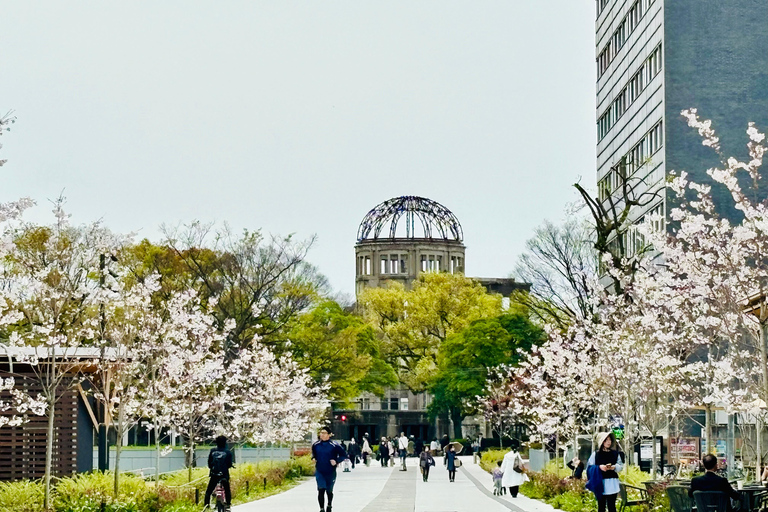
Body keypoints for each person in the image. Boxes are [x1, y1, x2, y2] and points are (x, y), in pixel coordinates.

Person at [311, 426, 347, 512]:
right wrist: (313, 458)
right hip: (320, 470)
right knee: (321, 489)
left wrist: (336, 461)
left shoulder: (334, 445)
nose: (322, 435)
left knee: (329, 491)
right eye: (321, 433)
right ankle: (321, 509)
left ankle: (329, 505)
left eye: (324, 433)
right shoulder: (316, 445)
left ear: (329, 435)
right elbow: (314, 455)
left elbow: (344, 455)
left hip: (330, 471)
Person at [586, 432, 624, 512]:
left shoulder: (615, 454)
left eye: (610, 440)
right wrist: (599, 467)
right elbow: (589, 467)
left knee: (612, 506)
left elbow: (620, 466)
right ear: (602, 442)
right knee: (601, 506)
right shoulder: (596, 454)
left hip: (612, 483)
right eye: (606, 440)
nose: (608, 442)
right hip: (600, 483)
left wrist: (614, 467)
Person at [204, 435, 234, 510]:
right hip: (224, 474)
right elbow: (229, 464)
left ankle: (206, 506)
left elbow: (209, 463)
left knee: (209, 491)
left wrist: (212, 468)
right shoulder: (227, 452)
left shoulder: (213, 451)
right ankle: (228, 505)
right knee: (227, 489)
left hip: (214, 474)